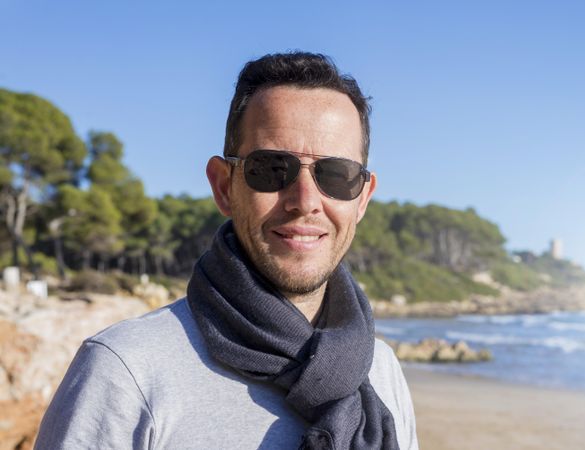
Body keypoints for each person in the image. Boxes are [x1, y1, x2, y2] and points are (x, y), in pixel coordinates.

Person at [35, 52, 418, 450]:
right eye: (271, 168)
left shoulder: (381, 369)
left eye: (336, 175)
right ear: (223, 186)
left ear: (362, 198)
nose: (305, 201)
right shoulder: (125, 371)